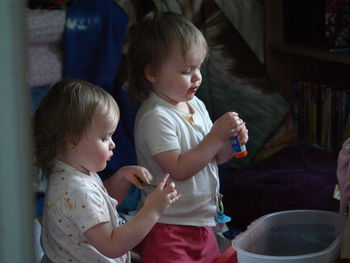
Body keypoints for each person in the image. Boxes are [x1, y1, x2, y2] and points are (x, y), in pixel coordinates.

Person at [127, 11, 249, 263]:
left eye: (199, 67)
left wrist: (232, 143)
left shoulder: (196, 105)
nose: (196, 77)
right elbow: (179, 169)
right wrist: (216, 136)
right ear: (152, 73)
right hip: (167, 226)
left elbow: (215, 158)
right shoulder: (156, 116)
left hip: (202, 221)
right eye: (186, 71)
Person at [34, 79, 179, 263]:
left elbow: (97, 208)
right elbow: (112, 245)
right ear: (72, 141)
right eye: (104, 138)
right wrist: (152, 210)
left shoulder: (71, 172)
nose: (113, 144)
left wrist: (121, 177)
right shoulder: (77, 190)